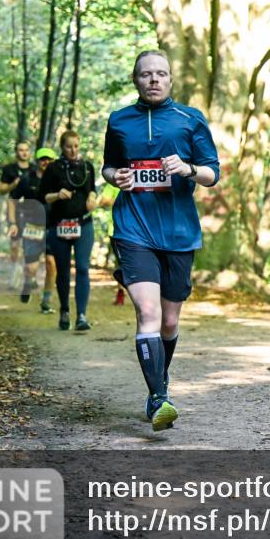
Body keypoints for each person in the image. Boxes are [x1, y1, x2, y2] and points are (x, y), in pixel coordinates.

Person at [101, 50, 219, 432]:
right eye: (146, 74)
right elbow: (108, 165)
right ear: (135, 80)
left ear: (170, 79)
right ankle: (157, 399)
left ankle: (160, 381)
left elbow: (212, 173)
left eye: (161, 74)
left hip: (179, 232)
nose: (154, 80)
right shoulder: (119, 120)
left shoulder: (190, 119)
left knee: (169, 321)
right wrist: (115, 176)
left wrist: (188, 168)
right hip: (133, 228)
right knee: (148, 312)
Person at [40, 131, 97, 331]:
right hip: (59, 225)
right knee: (63, 270)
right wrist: (57, 195)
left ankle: (81, 315)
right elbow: (43, 197)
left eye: (76, 146)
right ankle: (64, 310)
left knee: (82, 267)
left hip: (83, 223)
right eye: (68, 147)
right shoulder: (53, 168)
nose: (73, 150)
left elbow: (92, 190)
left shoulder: (87, 167)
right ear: (62, 147)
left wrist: (92, 198)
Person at [7, 147, 58, 312]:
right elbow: (12, 200)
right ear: (37, 161)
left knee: (51, 263)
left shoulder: (59, 180)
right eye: (43, 159)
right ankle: (28, 283)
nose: (46, 162)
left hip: (53, 228)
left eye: (49, 159)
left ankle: (46, 301)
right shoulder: (27, 179)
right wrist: (13, 223)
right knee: (31, 268)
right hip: (32, 227)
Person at [0, 141, 33, 288]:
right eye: (21, 150)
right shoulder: (9, 169)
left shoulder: (35, 169)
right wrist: (14, 184)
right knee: (14, 244)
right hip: (14, 209)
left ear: (29, 152)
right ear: (16, 152)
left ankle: (29, 275)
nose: (24, 153)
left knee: (31, 244)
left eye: (26, 150)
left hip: (32, 211)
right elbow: (1, 190)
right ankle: (14, 273)